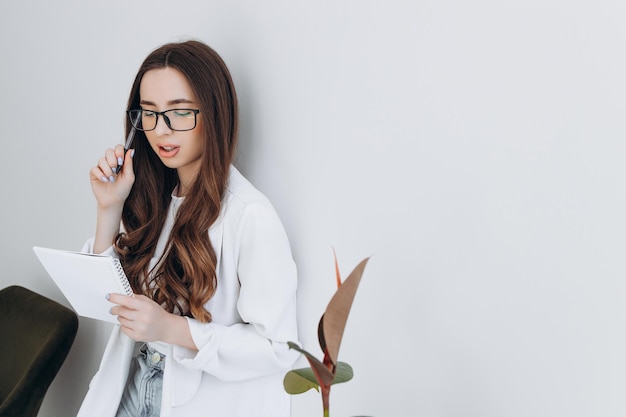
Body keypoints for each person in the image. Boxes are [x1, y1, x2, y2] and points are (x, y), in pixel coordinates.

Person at [76, 40, 299, 417]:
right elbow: (105, 303)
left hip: (191, 398)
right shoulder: (157, 200)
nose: (161, 131)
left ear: (213, 112)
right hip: (134, 379)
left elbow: (279, 348)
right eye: (148, 113)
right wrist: (108, 207)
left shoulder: (249, 216)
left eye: (179, 113)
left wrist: (172, 329)